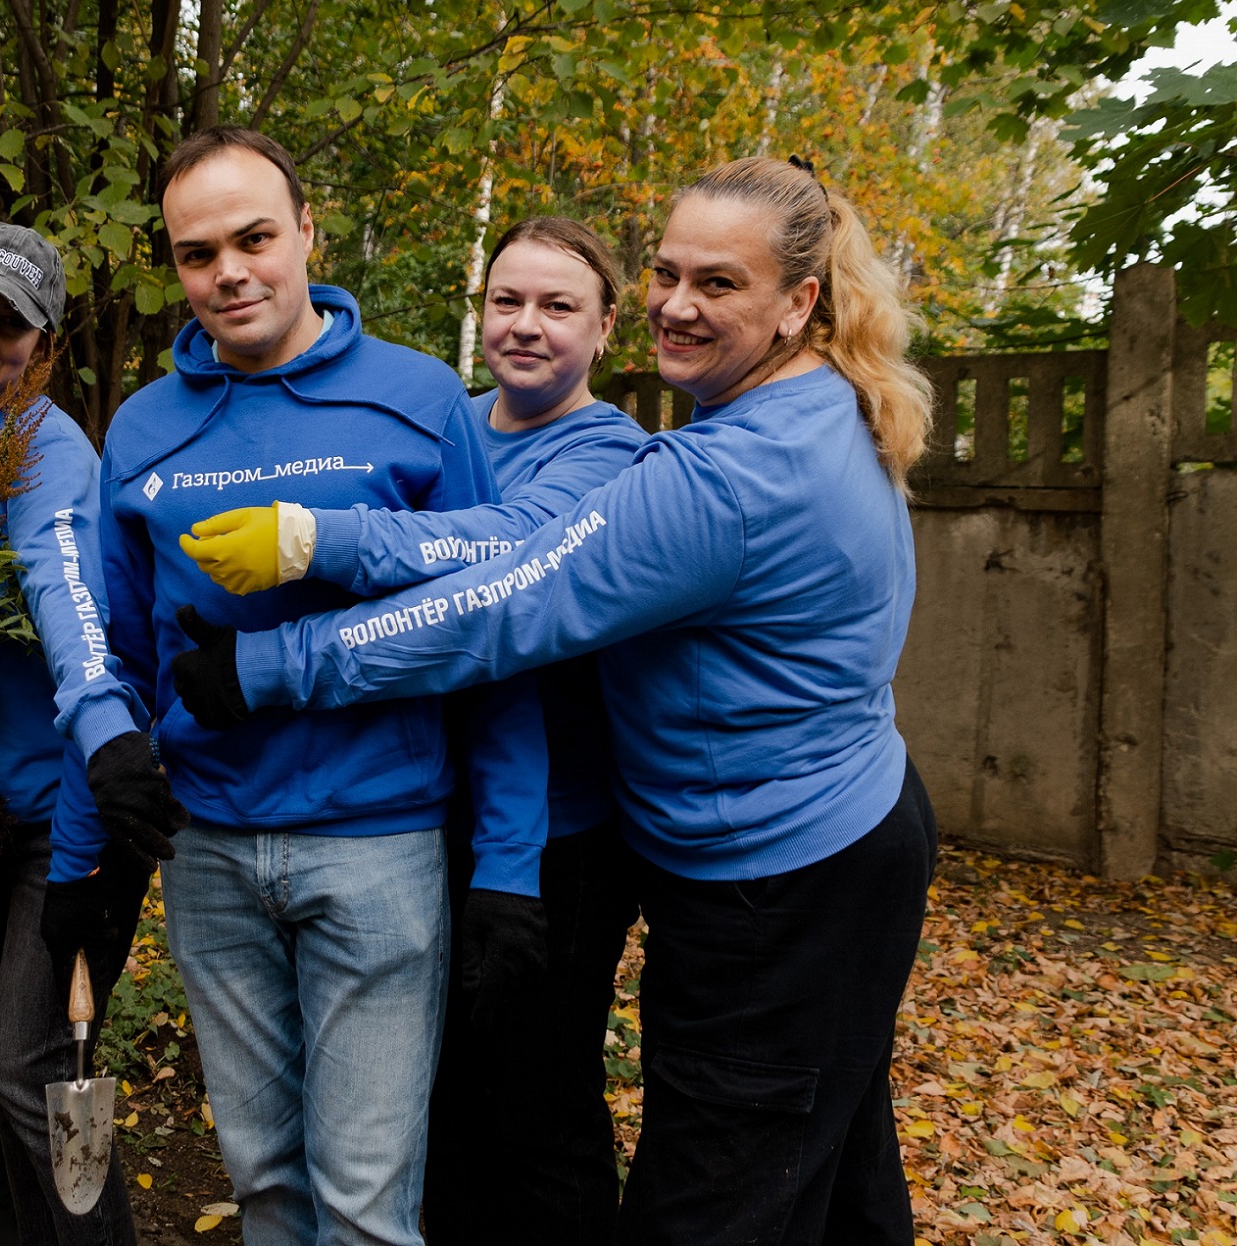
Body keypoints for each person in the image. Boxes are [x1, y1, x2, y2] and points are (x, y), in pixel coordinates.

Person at [172, 156, 941, 1244]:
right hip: (832, 838)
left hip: (777, 885)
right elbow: (524, 543)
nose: (681, 302)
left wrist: (273, 665)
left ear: (799, 302)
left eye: (719, 284)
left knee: (716, 1197)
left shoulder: (717, 473)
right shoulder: (812, 407)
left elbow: (513, 599)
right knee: (831, 1180)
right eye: (670, 270)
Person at [97, 124, 549, 1246]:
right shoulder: (144, 428)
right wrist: (115, 769)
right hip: (210, 848)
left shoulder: (417, 394)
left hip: (378, 848)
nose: (230, 272)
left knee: (363, 1202)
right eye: (198, 254)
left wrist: (508, 861)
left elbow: (490, 624)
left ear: (307, 231)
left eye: (255, 238)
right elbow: (116, 645)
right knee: (265, 1184)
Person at [180, 216, 648, 1242]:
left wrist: (318, 540)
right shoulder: (454, 422)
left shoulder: (610, 450)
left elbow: (506, 554)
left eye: (558, 307)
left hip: (556, 837)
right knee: (435, 1115)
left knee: (537, 1098)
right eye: (506, 302)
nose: (525, 327)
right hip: (434, 807)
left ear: (607, 329)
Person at [0, 221, 178, 1245]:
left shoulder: (48, 453)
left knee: (31, 1067)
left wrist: (103, 731)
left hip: (65, 817)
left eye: (12, 323)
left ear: (41, 345)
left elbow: (65, 590)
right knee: (21, 1070)